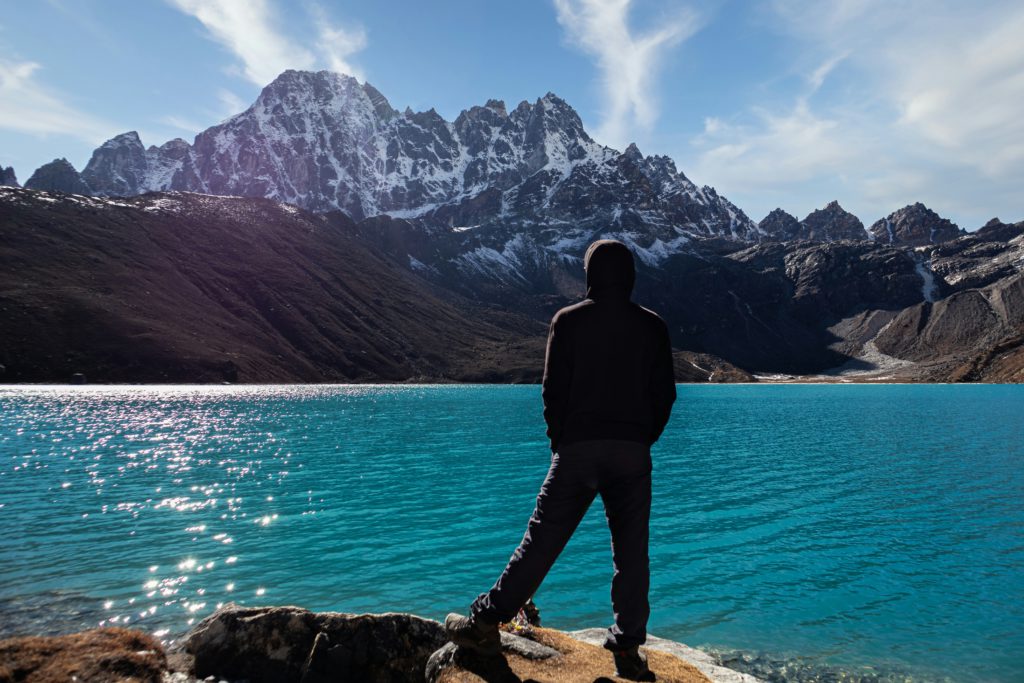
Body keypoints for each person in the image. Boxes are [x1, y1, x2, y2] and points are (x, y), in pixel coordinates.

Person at [445, 239, 677, 681]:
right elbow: (664, 395)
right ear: (629, 275)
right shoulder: (653, 326)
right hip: (632, 454)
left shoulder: (568, 322)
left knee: (542, 542)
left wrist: (562, 442)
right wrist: (641, 439)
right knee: (632, 554)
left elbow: (552, 392)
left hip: (577, 451)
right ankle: (628, 648)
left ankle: (485, 622)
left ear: (590, 274)